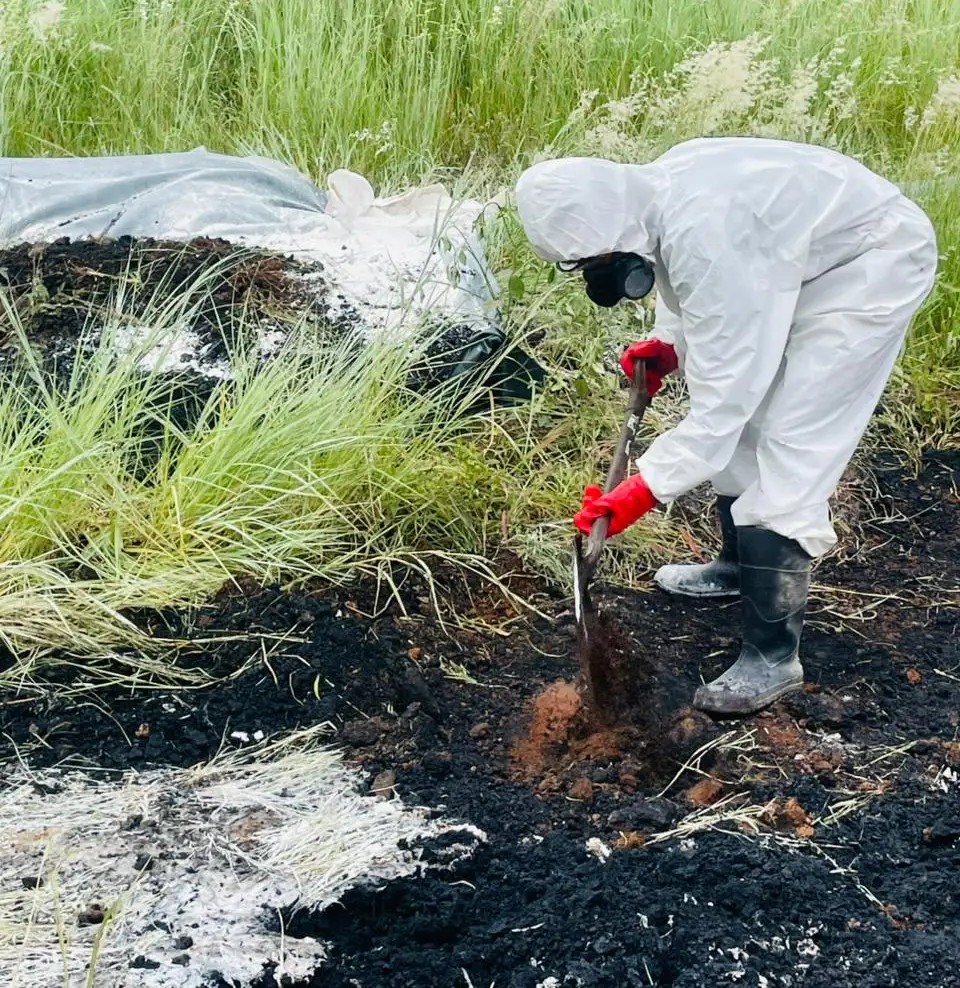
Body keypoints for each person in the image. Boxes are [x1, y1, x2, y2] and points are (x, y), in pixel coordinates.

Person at [514, 136, 938, 716]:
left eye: (599, 265)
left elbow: (719, 408)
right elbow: (693, 294)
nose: (602, 278)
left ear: (616, 239)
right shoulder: (654, 200)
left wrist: (642, 489)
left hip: (869, 265)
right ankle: (740, 565)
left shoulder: (708, 229)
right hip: (799, 262)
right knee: (749, 423)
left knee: (795, 435)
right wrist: (669, 344)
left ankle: (772, 658)